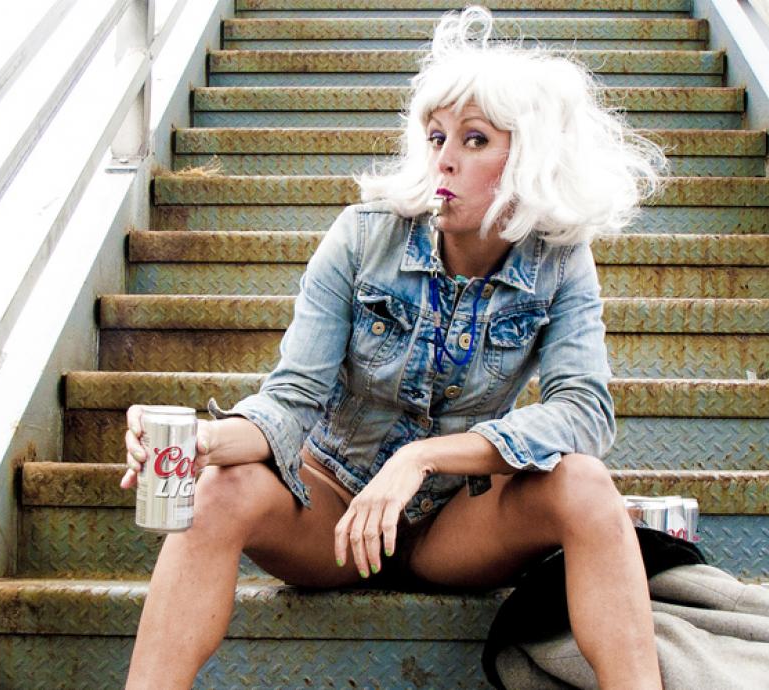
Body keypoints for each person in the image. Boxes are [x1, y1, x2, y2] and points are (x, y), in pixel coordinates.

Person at [121, 6, 665, 689]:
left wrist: (423, 457)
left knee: (585, 483)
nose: (443, 157)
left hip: (454, 520)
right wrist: (209, 439)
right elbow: (293, 398)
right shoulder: (362, 236)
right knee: (218, 489)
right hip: (333, 510)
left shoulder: (556, 261)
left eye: (474, 140)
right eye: (435, 135)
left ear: (529, 157)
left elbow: (584, 412)